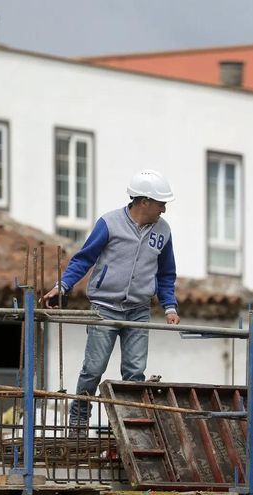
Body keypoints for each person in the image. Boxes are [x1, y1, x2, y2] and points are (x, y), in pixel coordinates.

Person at [43, 169, 180, 432]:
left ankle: (131, 423)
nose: (164, 209)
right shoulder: (109, 223)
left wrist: (170, 306)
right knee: (93, 369)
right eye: (161, 203)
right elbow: (84, 258)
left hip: (139, 310)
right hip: (105, 309)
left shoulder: (163, 231)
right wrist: (63, 285)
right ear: (144, 202)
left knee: (134, 373)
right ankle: (80, 417)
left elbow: (166, 273)